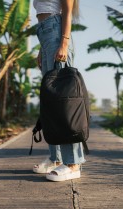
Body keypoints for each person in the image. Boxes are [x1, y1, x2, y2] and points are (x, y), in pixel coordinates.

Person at [32, 0, 85, 182]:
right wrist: (42, 48)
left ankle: (73, 164)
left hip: (57, 33)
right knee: (50, 103)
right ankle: (56, 159)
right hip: (46, 35)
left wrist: (63, 43)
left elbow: (67, 11)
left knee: (63, 103)